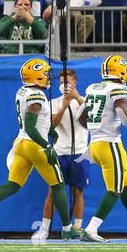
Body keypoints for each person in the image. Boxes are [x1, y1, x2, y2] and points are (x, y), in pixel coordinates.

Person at [0, 58, 82, 240]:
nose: (48, 77)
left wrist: (51, 130)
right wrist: (47, 145)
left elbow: (37, 121)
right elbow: (31, 126)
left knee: (13, 185)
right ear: (36, 76)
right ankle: (67, 227)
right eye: (44, 74)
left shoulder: (23, 90)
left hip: (20, 144)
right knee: (58, 185)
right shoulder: (36, 95)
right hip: (34, 145)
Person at [77, 55, 127, 242]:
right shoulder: (117, 89)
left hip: (96, 143)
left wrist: (96, 128)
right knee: (114, 189)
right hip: (109, 144)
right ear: (121, 71)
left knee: (125, 184)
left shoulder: (93, 88)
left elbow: (82, 118)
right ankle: (91, 229)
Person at [31, 69, 89, 241]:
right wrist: (64, 106)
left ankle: (77, 228)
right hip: (59, 152)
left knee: (77, 192)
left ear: (75, 82)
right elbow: (51, 127)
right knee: (53, 191)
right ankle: (44, 228)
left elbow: (91, 120)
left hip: (80, 152)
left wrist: (77, 98)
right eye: (62, 82)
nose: (65, 86)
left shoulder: (84, 101)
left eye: (68, 82)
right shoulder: (52, 102)